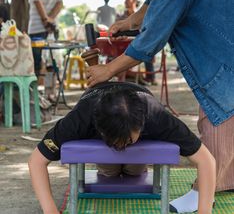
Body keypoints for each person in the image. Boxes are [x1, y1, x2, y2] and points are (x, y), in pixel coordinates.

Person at [86, 0, 234, 211]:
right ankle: (224, 180)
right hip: (223, 38)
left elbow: (150, 41)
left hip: (225, 44)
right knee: (217, 112)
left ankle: (204, 191)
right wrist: (130, 20)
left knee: (220, 113)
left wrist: (108, 70)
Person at [28, 82, 215, 214]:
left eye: (127, 141)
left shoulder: (157, 116)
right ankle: (112, 157)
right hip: (96, 106)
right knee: (110, 173)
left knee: (134, 172)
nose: (121, 147)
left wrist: (204, 211)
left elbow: (206, 160)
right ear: (99, 129)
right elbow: (36, 160)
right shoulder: (80, 118)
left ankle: (131, 157)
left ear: (142, 125)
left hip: (139, 124)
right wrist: (50, 210)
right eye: (116, 142)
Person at [27, 0, 63, 76]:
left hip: (37, 28)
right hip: (52, 28)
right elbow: (59, 4)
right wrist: (50, 19)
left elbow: (37, 0)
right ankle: (51, 93)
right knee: (51, 61)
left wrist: (45, 19)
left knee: (36, 62)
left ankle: (37, 92)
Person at [117, 0, 157, 85]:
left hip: (139, 44)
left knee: (147, 47)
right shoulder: (120, 17)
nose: (125, 2)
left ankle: (150, 77)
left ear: (134, 0)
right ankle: (123, 77)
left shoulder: (143, 16)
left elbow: (147, 32)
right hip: (122, 45)